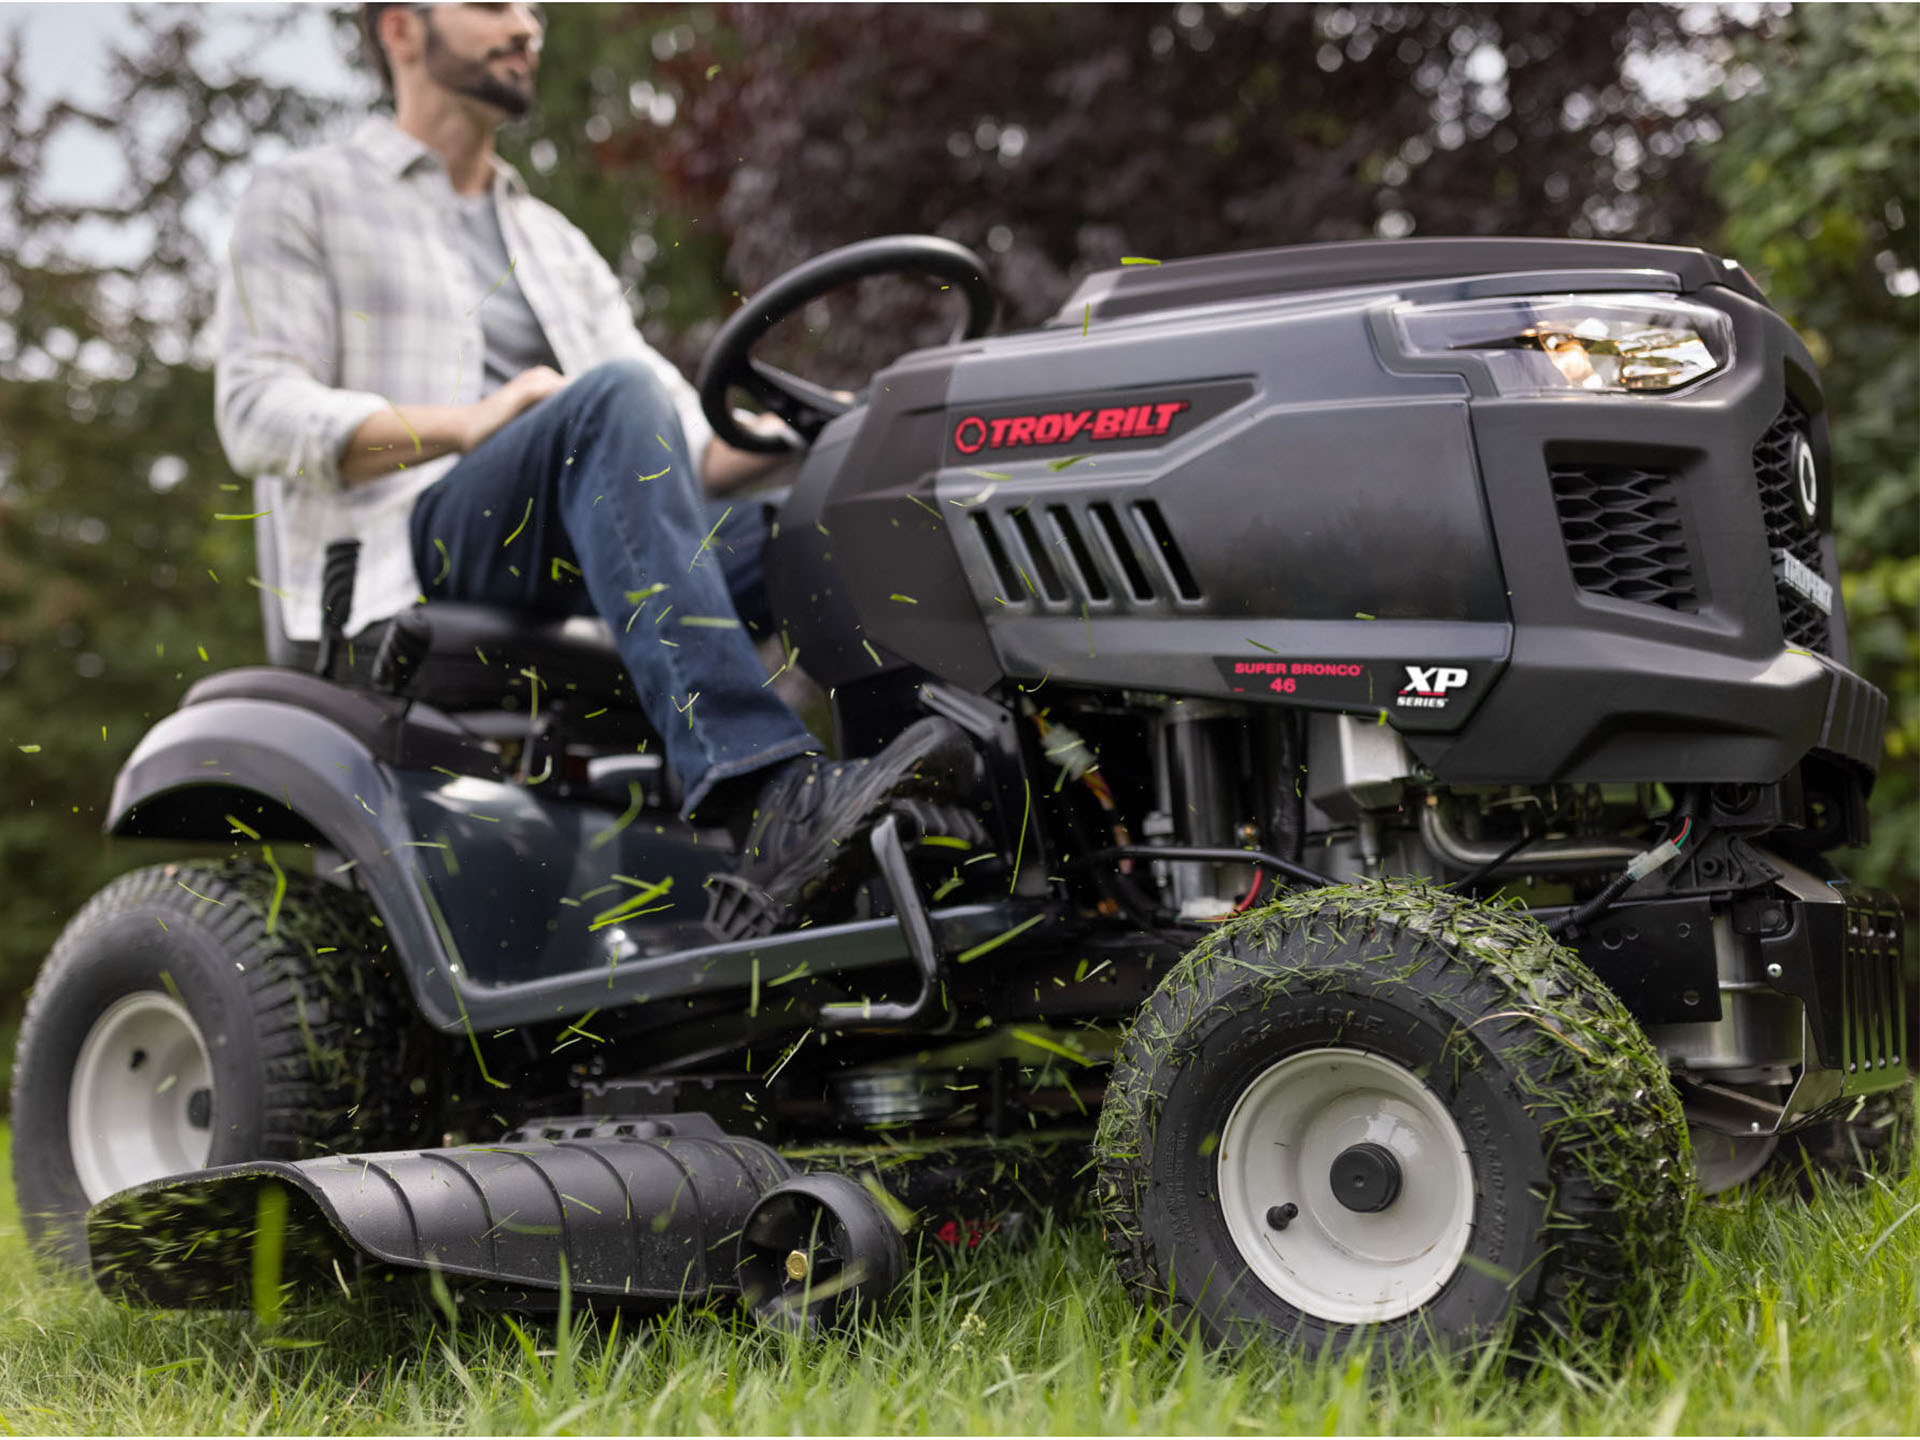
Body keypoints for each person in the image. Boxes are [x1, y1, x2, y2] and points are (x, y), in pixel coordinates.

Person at [212, 1, 970, 937]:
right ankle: (765, 794)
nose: (527, 25)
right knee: (608, 400)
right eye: (492, 5)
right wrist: (473, 424)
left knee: (826, 519)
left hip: (588, 539)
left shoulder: (553, 243)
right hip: (410, 549)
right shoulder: (304, 194)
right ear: (400, 30)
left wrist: (828, 431)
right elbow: (254, 412)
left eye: (532, 9)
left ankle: (907, 823)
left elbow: (679, 444)